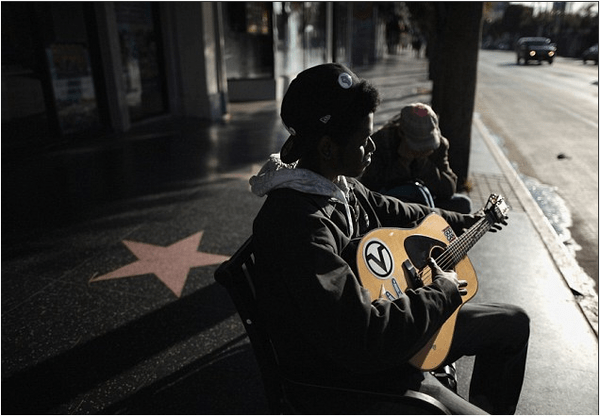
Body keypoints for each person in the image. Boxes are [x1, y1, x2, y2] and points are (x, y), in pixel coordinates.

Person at [249, 63, 529, 414]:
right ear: (326, 148)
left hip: (389, 330)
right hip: (354, 376)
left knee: (513, 323)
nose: (372, 148)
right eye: (362, 140)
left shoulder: (337, 186)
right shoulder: (298, 224)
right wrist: (441, 291)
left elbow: (406, 213)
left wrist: (469, 221)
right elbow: (362, 338)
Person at [360, 103, 473, 214]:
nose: (422, 150)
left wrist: (424, 163)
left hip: (428, 201)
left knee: (463, 204)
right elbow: (371, 189)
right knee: (416, 192)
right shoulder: (381, 141)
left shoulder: (439, 146)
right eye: (418, 145)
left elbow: (448, 190)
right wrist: (403, 162)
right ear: (401, 133)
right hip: (392, 203)